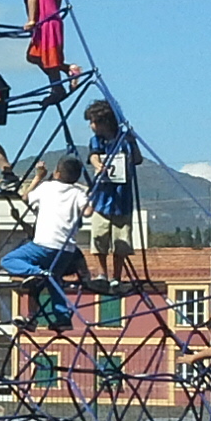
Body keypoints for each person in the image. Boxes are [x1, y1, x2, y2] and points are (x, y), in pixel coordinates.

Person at [0, 155, 87, 329]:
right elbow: (89, 211)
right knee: (53, 282)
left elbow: (25, 197)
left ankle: (37, 275)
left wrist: (38, 177)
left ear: (56, 173)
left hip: (44, 246)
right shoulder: (78, 193)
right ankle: (60, 319)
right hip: (66, 251)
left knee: (8, 261)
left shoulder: (47, 187)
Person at [84, 98, 144, 285]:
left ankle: (116, 276)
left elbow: (137, 159)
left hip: (122, 198)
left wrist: (132, 142)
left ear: (104, 122)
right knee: (99, 236)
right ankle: (101, 273)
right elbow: (93, 155)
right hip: (102, 197)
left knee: (121, 240)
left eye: (93, 122)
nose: (91, 126)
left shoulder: (124, 140)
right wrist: (97, 165)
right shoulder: (97, 140)